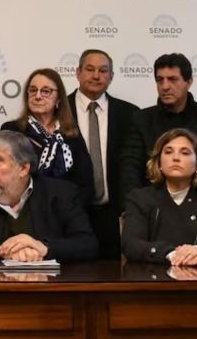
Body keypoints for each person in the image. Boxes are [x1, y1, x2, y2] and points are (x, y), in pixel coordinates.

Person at [0, 131, 98, 262]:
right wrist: (1, 250)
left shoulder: (61, 194)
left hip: (51, 289)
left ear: (23, 168)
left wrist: (44, 248)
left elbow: (87, 244)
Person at [120, 53, 197, 206]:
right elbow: (129, 170)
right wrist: (136, 210)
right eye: (159, 80)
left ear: (188, 82)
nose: (165, 86)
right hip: (153, 212)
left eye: (172, 79)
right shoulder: (141, 119)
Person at [121, 128, 197, 265]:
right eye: (168, 152)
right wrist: (171, 255)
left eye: (185, 153)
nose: (175, 158)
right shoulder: (140, 198)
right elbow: (131, 245)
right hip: (155, 279)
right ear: (159, 162)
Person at [68, 49, 139, 259]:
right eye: (89, 69)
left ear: (112, 76)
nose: (96, 75)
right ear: (78, 72)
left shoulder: (130, 114)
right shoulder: (59, 109)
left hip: (115, 215)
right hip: (71, 213)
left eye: (103, 70)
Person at [1, 68, 93, 199]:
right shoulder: (12, 130)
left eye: (46, 91)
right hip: (25, 212)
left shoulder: (71, 133)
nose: (38, 96)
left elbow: (85, 182)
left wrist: (70, 208)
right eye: (33, 90)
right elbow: (6, 177)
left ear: (58, 98)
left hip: (67, 211)